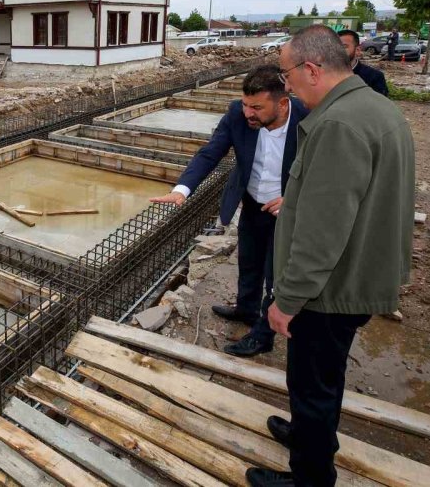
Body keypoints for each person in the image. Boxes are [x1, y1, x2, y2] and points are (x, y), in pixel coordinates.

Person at [246, 25, 415, 487]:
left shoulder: (338, 125)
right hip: (355, 275)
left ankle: (310, 476)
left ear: (312, 69)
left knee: (312, 384)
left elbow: (323, 232)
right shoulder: (372, 108)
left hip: (329, 290)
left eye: (286, 75)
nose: (287, 87)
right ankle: (306, 435)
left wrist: (287, 300)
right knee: (323, 376)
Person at [150, 65, 308, 358]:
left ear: (282, 103)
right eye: (246, 104)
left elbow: (326, 168)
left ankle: (263, 334)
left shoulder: (309, 117)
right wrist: (181, 189)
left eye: (257, 107)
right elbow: (211, 151)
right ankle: (246, 309)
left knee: (276, 272)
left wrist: (294, 198)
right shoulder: (237, 113)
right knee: (249, 261)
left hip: (288, 210)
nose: (248, 113)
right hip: (252, 201)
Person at [338, 29, 388, 96]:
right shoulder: (325, 74)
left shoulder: (374, 77)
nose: (337, 50)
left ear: (357, 50)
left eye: (344, 47)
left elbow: (379, 105)